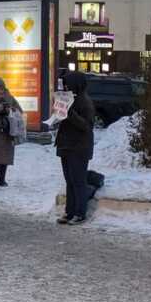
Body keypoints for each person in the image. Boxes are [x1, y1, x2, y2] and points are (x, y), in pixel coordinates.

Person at [55, 71, 95, 226]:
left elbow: (86, 126)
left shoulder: (85, 102)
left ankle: (80, 213)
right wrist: (57, 115)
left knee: (78, 181)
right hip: (65, 144)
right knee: (69, 181)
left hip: (79, 147)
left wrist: (69, 113)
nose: (65, 87)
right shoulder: (68, 99)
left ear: (75, 84)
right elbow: (63, 121)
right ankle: (69, 211)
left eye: (67, 84)